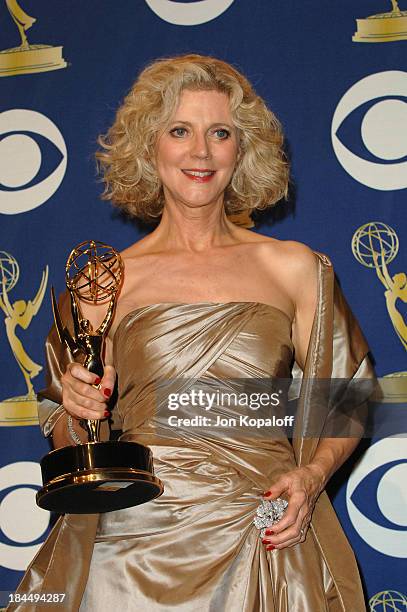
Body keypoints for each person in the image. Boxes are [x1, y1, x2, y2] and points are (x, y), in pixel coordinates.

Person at [10, 54, 374, 611]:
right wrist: (77, 414)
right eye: (180, 130)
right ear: (149, 146)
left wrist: (312, 476)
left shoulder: (295, 269)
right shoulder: (103, 283)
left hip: (264, 537)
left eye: (219, 133)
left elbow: (345, 399)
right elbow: (65, 434)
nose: (200, 152)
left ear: (241, 150)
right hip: (129, 551)